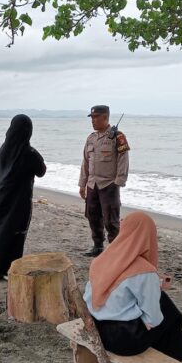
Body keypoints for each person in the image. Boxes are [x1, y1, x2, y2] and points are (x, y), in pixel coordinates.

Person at [83, 211, 182, 361]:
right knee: (170, 314)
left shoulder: (102, 259)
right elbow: (154, 319)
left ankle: (174, 351)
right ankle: (176, 356)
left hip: (96, 328)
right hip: (122, 341)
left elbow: (93, 296)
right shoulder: (145, 272)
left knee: (161, 305)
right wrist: (149, 319)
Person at [0, 114, 46, 282]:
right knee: (15, 234)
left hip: (0, 197)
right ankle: (8, 268)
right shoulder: (29, 153)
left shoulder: (4, 148)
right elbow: (41, 171)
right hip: (19, 201)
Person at [79, 105, 129, 257]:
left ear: (105, 118)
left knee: (111, 220)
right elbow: (85, 162)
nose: (93, 121)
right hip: (92, 184)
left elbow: (123, 159)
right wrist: (82, 184)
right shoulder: (91, 138)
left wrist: (119, 182)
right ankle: (98, 246)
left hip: (108, 185)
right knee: (92, 216)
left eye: (96, 117)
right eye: (92, 118)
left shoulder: (117, 136)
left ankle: (115, 251)